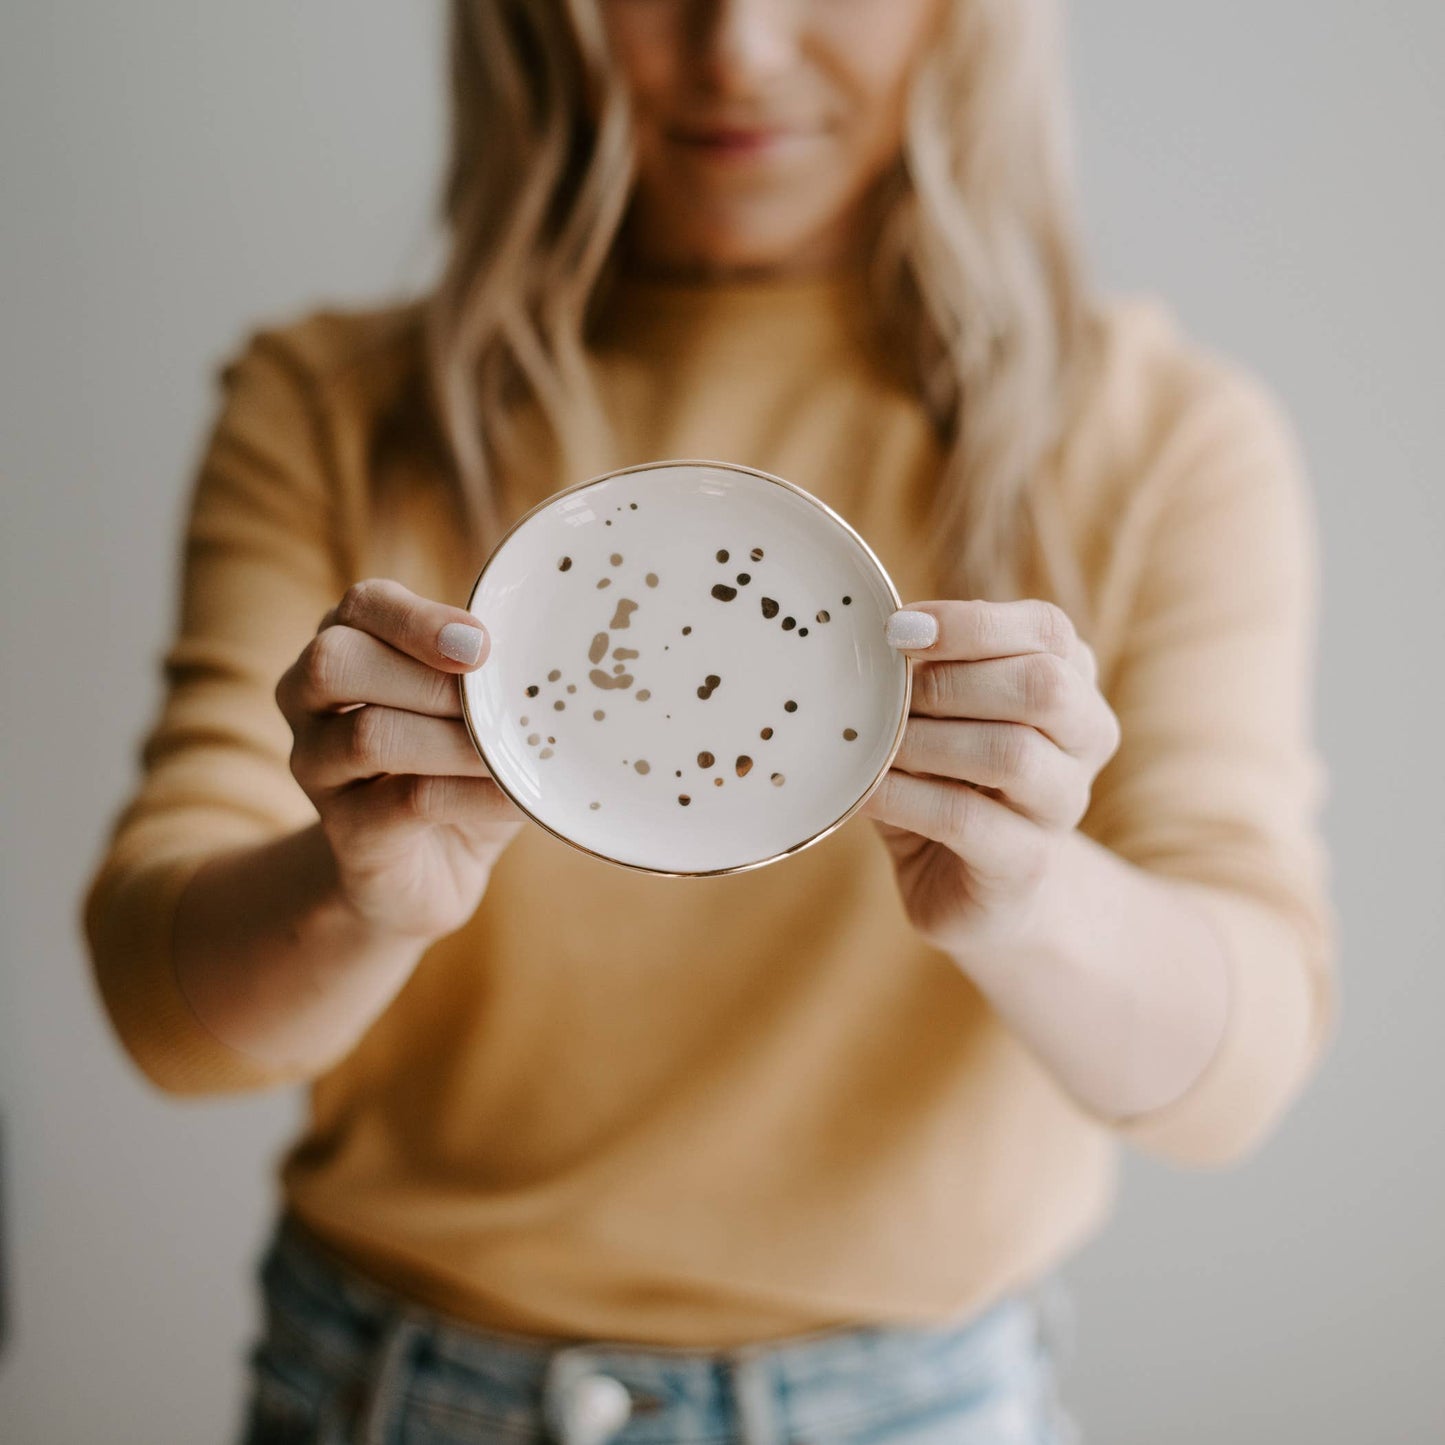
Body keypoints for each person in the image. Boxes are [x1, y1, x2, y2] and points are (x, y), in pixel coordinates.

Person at [79, 2, 1339, 1442]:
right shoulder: (331, 408)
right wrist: (355, 894)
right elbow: (164, 1014)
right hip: (392, 1389)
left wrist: (1031, 898)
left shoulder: (1158, 437)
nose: (736, 48)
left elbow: (1235, 1076)